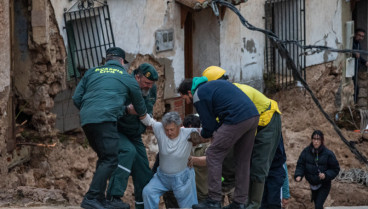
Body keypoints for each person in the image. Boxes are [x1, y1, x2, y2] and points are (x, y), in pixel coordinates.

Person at [73, 47, 148, 209]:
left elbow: (76, 98)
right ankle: (91, 198)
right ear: (122, 61)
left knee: (105, 157)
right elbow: (140, 108)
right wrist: (133, 113)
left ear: (107, 59)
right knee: (111, 158)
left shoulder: (91, 72)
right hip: (105, 120)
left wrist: (90, 111)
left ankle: (100, 198)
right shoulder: (126, 77)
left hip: (87, 120)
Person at [202, 66, 283, 209]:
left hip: (267, 121)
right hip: (250, 124)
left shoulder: (239, 92)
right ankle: (238, 199)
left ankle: (253, 205)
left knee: (259, 164)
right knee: (236, 158)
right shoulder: (222, 97)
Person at [178, 77, 259, 209]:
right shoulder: (212, 86)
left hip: (236, 118)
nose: (187, 103)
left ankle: (214, 200)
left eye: (185, 99)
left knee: (213, 154)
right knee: (243, 160)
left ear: (189, 92)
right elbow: (218, 120)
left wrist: (201, 135)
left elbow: (209, 126)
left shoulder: (199, 94)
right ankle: (240, 202)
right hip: (252, 116)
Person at [106, 63, 158, 209]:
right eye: (146, 83)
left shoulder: (151, 88)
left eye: (152, 84)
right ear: (137, 77)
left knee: (144, 174)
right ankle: (112, 198)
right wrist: (127, 110)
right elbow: (111, 110)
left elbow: (149, 109)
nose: (149, 87)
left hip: (135, 134)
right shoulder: (122, 86)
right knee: (128, 151)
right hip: (117, 130)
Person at [141, 112, 200, 209]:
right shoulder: (160, 128)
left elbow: (208, 133)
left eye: (172, 129)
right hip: (162, 178)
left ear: (179, 126)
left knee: (188, 207)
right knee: (148, 192)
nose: (169, 133)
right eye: (167, 130)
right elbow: (147, 120)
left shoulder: (189, 133)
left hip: (182, 179)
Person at [294, 130, 340, 209]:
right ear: (311, 140)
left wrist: (326, 175)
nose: (316, 141)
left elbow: (335, 169)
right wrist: (299, 174)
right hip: (313, 184)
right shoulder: (306, 151)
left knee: (318, 205)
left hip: (324, 184)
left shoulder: (328, 154)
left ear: (322, 140)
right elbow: (300, 164)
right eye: (314, 139)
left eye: (318, 139)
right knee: (317, 205)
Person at [352, 28, 368, 103]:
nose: (361, 38)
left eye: (362, 36)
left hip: (356, 69)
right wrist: (354, 53)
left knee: (356, 89)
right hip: (350, 69)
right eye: (359, 35)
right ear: (355, 34)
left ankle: (354, 105)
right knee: (354, 89)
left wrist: (365, 62)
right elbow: (348, 52)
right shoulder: (351, 43)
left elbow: (359, 57)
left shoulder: (358, 44)